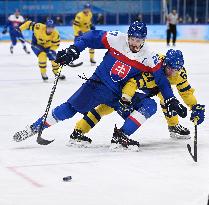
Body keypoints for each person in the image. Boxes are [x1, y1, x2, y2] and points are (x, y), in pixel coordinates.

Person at [13, 22, 186, 147]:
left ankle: (121, 136)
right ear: (128, 35)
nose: (134, 43)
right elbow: (90, 37)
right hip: (97, 85)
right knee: (69, 108)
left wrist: (171, 99)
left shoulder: (150, 56)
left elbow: (161, 80)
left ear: (144, 39)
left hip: (118, 95)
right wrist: (75, 49)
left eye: (139, 40)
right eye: (132, 38)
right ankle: (34, 128)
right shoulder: (116, 39)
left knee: (149, 105)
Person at [71, 49, 205, 148]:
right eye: (171, 68)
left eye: (177, 69)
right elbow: (132, 83)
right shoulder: (152, 70)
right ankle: (80, 130)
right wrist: (126, 98)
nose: (173, 72)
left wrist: (194, 106)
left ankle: (174, 126)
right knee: (106, 107)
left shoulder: (179, 73)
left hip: (151, 87)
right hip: (124, 84)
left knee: (168, 100)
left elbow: (186, 91)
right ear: (164, 64)